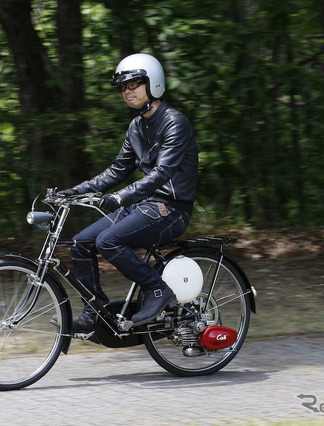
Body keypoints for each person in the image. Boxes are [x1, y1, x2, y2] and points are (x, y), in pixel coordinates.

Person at [58, 53, 198, 332]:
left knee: (108, 241)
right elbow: (116, 170)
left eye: (133, 84)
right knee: (81, 243)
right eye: (123, 87)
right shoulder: (136, 126)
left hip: (171, 209)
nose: (127, 91)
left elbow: (162, 173)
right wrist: (74, 192)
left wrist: (121, 197)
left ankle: (158, 290)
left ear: (152, 83)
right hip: (144, 206)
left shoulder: (174, 121)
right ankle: (93, 311)